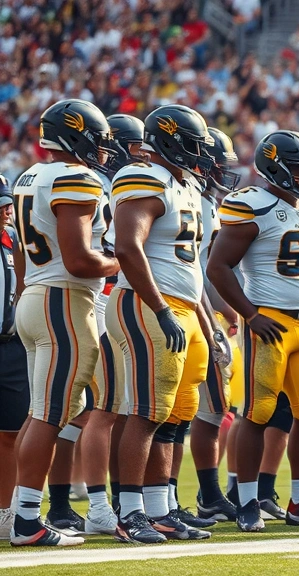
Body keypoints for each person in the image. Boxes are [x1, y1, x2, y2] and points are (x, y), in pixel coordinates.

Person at [208, 130, 299, 532]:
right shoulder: (252, 205)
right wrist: (251, 315)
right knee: (258, 413)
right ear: (276, 168)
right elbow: (218, 267)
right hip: (269, 322)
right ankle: (248, 501)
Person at [10, 99, 120, 546]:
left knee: (42, 414)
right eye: (96, 139)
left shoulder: (30, 175)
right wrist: (121, 262)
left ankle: (17, 514)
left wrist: (28, 289)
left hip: (36, 297)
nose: (103, 150)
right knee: (50, 416)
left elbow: (21, 251)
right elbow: (78, 260)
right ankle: (26, 522)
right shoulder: (75, 178)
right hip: (64, 303)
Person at [107, 104, 215, 543]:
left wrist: (204, 322)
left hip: (184, 306)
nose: (201, 155)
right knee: (149, 411)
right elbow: (128, 248)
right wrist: (161, 308)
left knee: (173, 416)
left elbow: (192, 268)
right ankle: (128, 511)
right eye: (193, 145)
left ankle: (159, 509)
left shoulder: (183, 182)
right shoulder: (144, 176)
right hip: (147, 303)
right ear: (169, 141)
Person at [75, 113, 147, 537]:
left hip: (102, 300)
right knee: (101, 410)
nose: (137, 157)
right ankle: (96, 505)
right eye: (132, 149)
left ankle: (103, 501)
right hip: (99, 301)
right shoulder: (99, 186)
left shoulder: (111, 185)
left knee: (109, 410)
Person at [192, 126, 241, 523]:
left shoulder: (204, 200)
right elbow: (201, 271)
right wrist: (220, 311)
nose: (223, 173)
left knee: (211, 410)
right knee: (194, 411)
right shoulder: (195, 200)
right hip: (194, 311)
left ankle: (206, 494)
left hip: (206, 310)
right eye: (217, 166)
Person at [0, 177, 28, 541]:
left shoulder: (13, 241)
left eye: (7, 203)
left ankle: (5, 513)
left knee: (11, 434)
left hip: (10, 344)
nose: (7, 210)